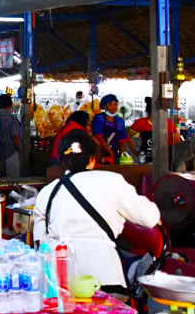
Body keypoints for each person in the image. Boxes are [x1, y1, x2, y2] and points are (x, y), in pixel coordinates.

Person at [33, 128, 160, 290]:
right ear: (93, 160)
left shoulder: (47, 192)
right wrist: (157, 217)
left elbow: (40, 241)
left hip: (59, 282)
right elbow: (149, 217)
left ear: (62, 161)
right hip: (103, 276)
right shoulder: (112, 181)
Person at [128, 97, 181, 163]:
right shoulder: (141, 123)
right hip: (147, 161)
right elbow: (128, 137)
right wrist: (135, 152)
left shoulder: (168, 123)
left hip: (165, 161)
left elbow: (176, 142)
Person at [91, 94, 127, 164]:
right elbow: (98, 137)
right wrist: (110, 152)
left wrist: (122, 156)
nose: (114, 107)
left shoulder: (119, 121)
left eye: (115, 104)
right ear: (104, 106)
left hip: (115, 153)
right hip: (100, 153)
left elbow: (122, 140)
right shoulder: (99, 119)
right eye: (110, 104)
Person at [0, 93, 22, 177]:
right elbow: (16, 138)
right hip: (10, 154)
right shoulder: (12, 119)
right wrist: (21, 151)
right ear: (11, 105)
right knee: (12, 182)